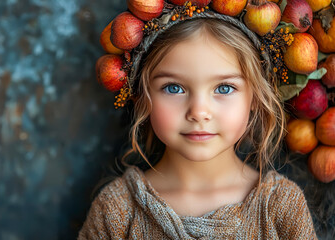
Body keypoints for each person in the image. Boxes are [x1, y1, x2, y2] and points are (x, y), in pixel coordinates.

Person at [79, 7, 317, 240]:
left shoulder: (281, 207)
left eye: (224, 88)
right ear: (142, 95)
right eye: (174, 88)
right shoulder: (117, 210)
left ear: (255, 96)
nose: (198, 112)